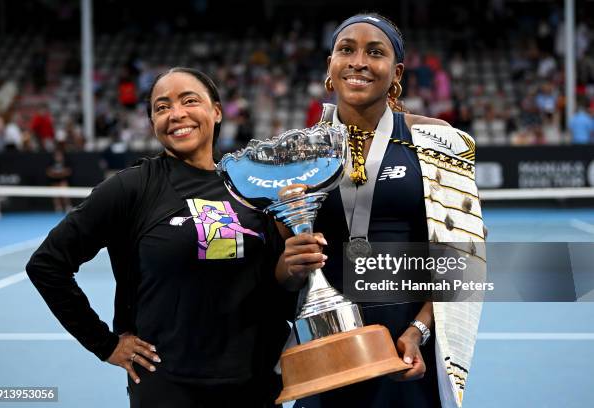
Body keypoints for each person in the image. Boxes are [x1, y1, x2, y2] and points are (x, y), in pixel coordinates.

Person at [26, 67, 298, 408]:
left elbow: (276, 281)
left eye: (189, 101)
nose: (176, 114)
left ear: (216, 111)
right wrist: (104, 344)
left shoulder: (253, 189)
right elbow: (47, 265)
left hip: (255, 384)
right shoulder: (131, 188)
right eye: (161, 107)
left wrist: (294, 263)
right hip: (170, 388)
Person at [278, 13, 486, 408]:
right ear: (330, 67)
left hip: (407, 350)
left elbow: (465, 259)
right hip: (325, 349)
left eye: (375, 52)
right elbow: (277, 274)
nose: (358, 61)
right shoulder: (295, 154)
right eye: (346, 50)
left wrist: (418, 332)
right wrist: (288, 266)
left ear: (396, 71)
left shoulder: (439, 142)